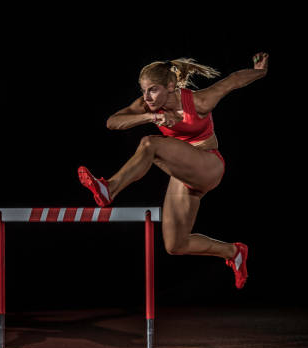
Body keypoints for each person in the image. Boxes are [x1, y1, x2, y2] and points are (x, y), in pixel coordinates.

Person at [78, 52, 269, 289]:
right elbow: (112, 122)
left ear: (170, 86)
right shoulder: (147, 105)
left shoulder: (198, 101)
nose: (147, 96)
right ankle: (233, 252)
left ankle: (110, 189)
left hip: (209, 165)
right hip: (185, 174)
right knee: (175, 244)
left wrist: (260, 71)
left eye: (153, 90)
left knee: (150, 144)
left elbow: (232, 81)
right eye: (144, 90)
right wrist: (150, 116)